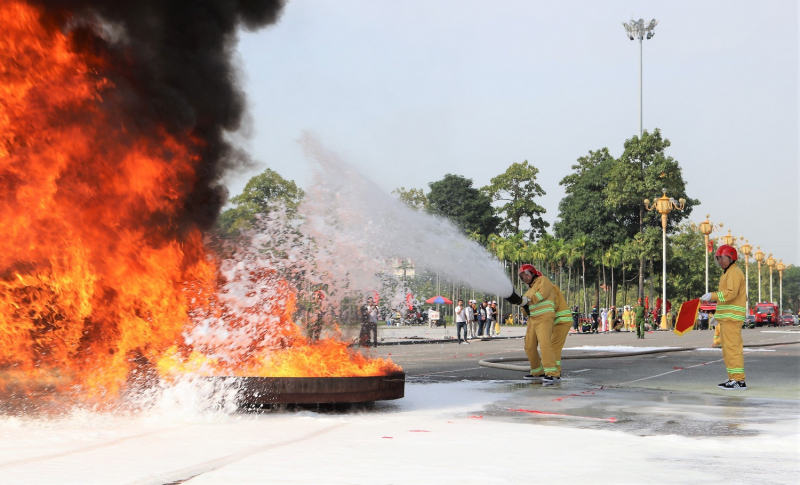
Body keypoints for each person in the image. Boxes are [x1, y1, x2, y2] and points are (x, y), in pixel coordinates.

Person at [700, 244, 747, 390]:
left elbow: (730, 294)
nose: (720, 261)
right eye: (718, 258)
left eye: (722, 258)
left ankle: (739, 381)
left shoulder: (734, 272)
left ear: (731, 258)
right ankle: (733, 378)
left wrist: (712, 295)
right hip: (727, 319)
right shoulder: (727, 273)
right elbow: (726, 298)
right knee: (727, 350)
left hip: (732, 319)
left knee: (733, 349)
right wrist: (718, 315)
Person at [516, 264, 560, 385]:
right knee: (529, 346)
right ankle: (537, 372)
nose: (525, 277)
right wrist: (523, 305)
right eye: (522, 276)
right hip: (533, 320)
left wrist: (529, 300)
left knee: (545, 344)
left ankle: (553, 374)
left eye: (526, 274)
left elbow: (543, 294)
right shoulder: (528, 291)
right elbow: (524, 311)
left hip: (545, 317)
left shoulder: (543, 280)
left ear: (533, 273)